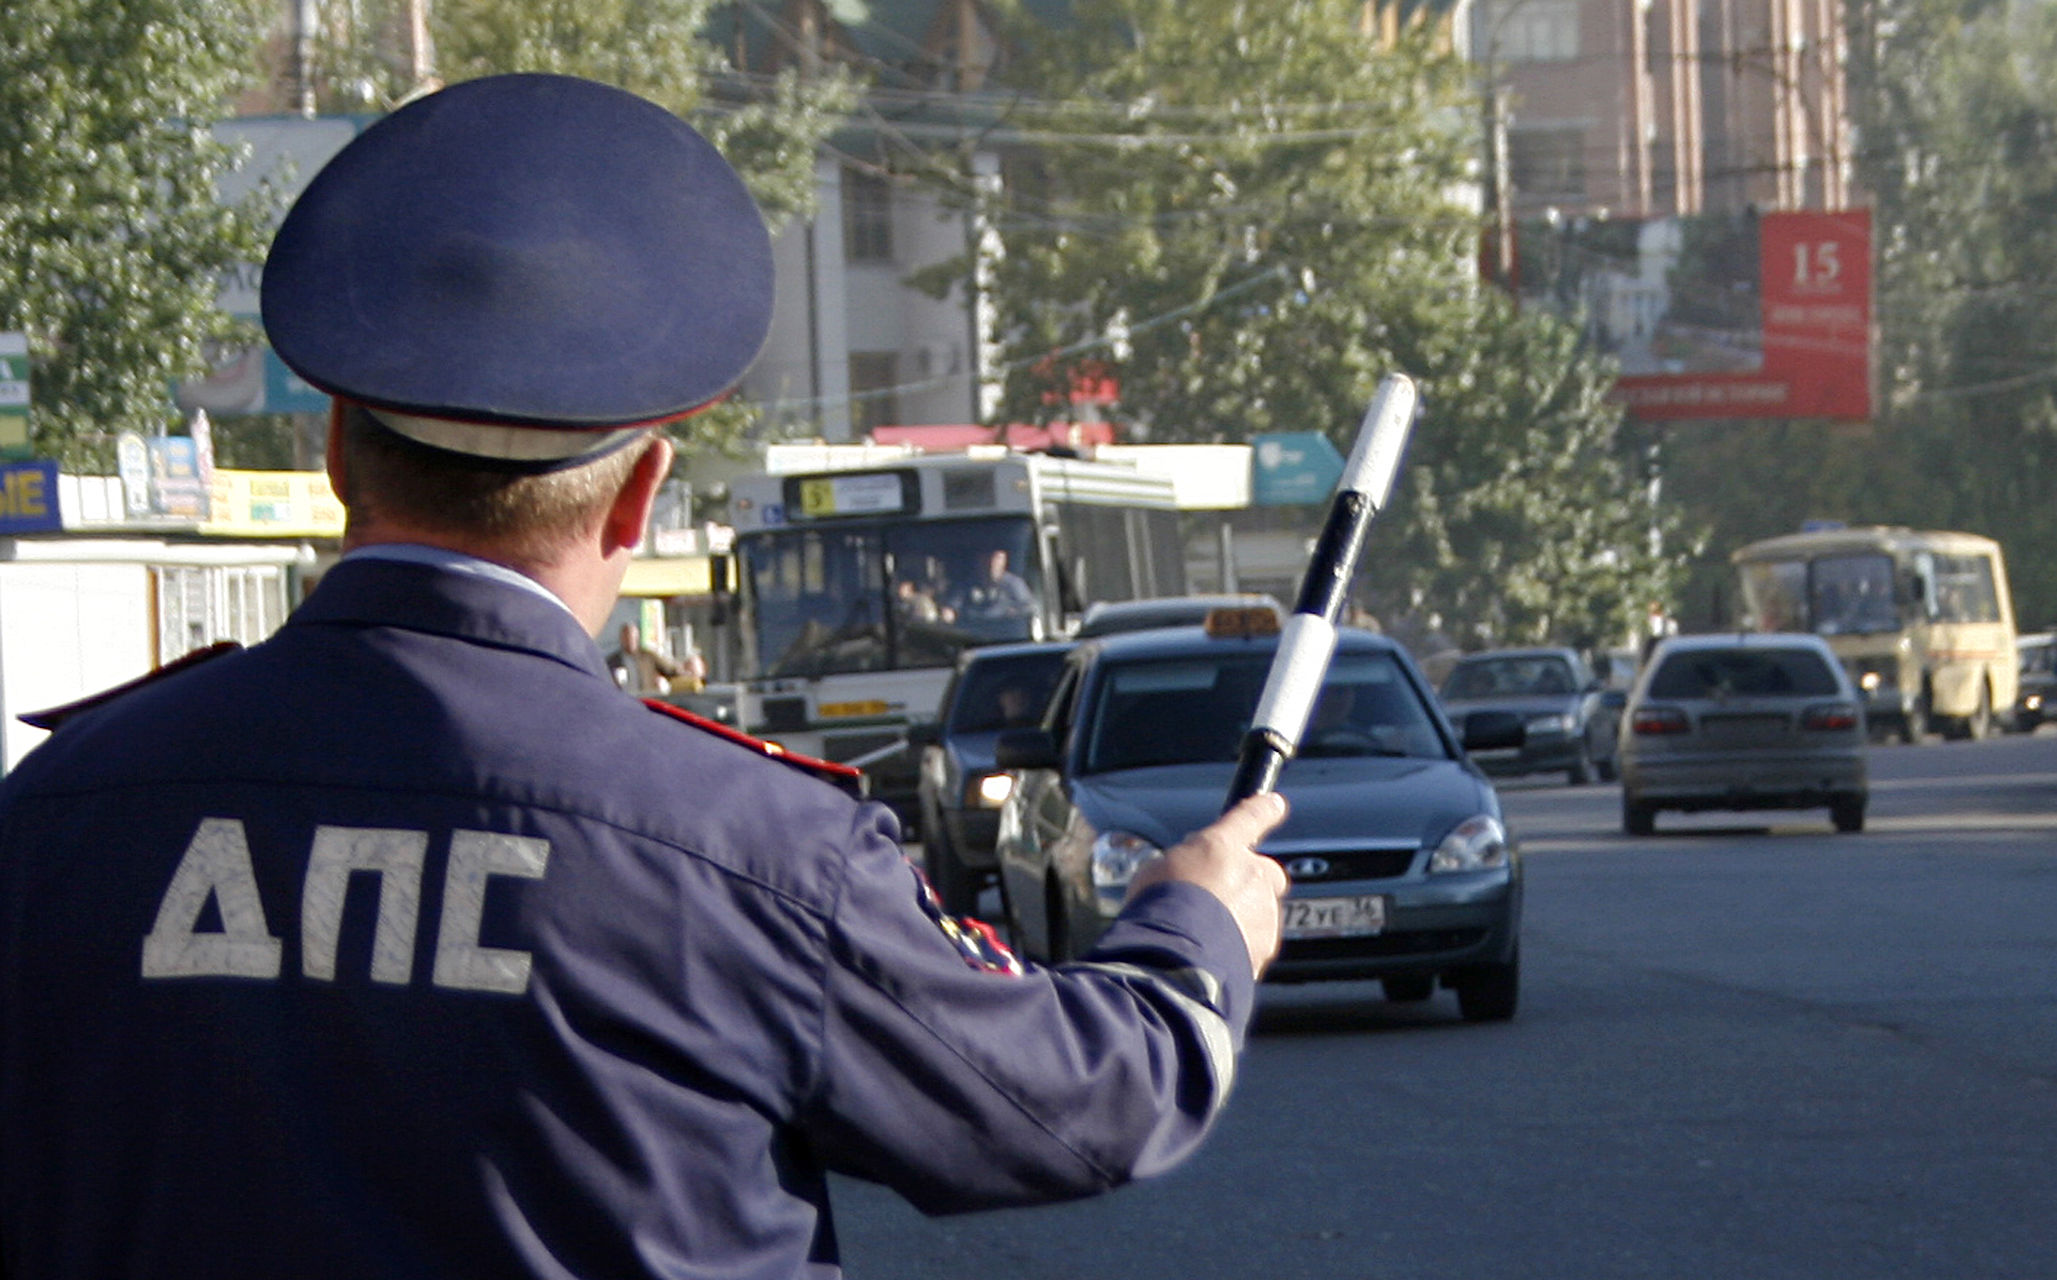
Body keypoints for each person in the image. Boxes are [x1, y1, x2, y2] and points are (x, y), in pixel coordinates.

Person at [0, 73, 1288, 1280]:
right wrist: (1197, 926)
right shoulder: (754, 849)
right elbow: (1083, 1101)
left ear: (339, 449)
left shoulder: (57, 813)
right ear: (637, 498)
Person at [946, 546, 1036, 621]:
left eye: (997, 558)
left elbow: (1029, 609)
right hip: (971, 634)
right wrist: (949, 613)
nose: (992, 563)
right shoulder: (966, 584)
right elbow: (952, 607)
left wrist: (1014, 613)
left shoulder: (1015, 584)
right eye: (987, 558)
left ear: (1004, 561)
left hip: (1006, 634)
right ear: (979, 561)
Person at [608, 620, 687, 694]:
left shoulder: (648, 656)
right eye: (627, 637)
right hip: (624, 700)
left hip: (646, 698)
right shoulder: (613, 661)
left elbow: (669, 669)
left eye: (633, 638)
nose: (630, 641)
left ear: (637, 638)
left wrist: (685, 671)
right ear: (622, 639)